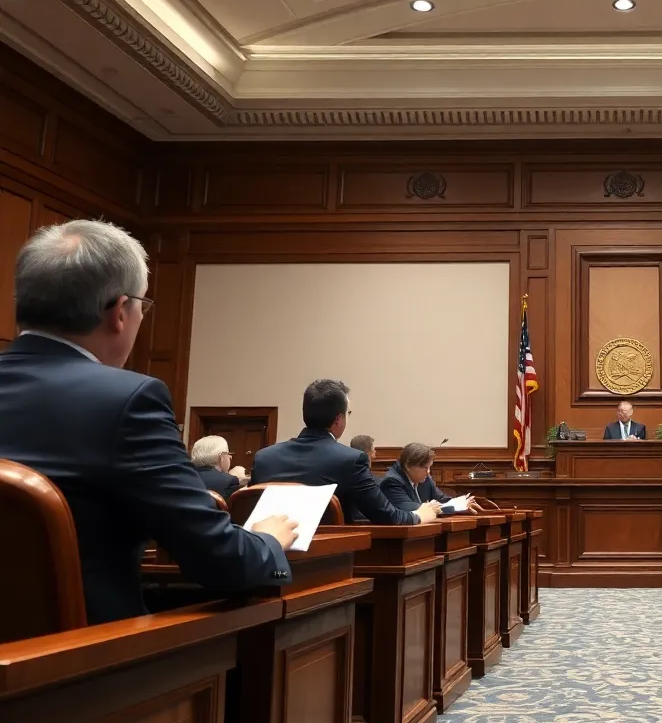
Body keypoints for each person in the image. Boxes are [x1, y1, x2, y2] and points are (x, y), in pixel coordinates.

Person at [0, 220, 297, 625]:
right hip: (78, 670)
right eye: (142, 305)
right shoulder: (127, 400)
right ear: (121, 312)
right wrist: (268, 541)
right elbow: (220, 563)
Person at [251, 380, 437, 525]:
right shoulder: (351, 460)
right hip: (330, 561)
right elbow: (386, 515)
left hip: (269, 557)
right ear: (338, 419)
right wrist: (419, 515)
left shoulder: (264, 457)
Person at [380, 442, 453, 516]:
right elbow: (407, 508)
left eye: (429, 467)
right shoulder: (391, 482)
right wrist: (432, 508)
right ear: (407, 466)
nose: (428, 472)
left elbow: (444, 500)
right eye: (425, 467)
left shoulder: (425, 479)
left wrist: (462, 504)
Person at [191, 435, 242, 499]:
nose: (230, 457)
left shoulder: (182, 477)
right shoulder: (230, 481)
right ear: (221, 457)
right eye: (228, 454)